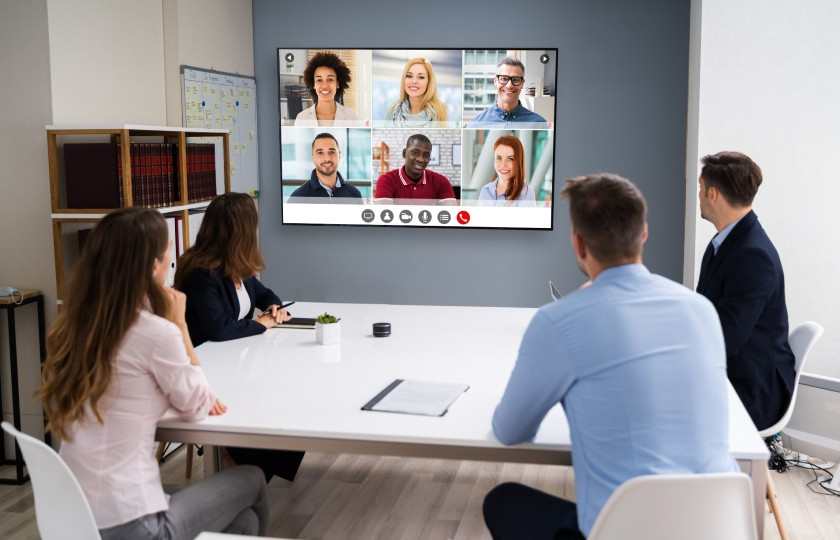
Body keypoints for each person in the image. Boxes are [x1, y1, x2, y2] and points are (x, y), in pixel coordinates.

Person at [484, 173, 737, 539]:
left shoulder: (559, 320)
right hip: (719, 525)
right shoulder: (701, 310)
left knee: (503, 500)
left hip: (626, 531)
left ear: (578, 245)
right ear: (644, 233)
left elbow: (509, 430)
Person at [37, 207, 268, 539]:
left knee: (243, 524)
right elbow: (198, 406)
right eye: (166, 253)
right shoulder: (155, 332)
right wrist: (179, 326)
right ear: (152, 267)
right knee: (253, 479)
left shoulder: (73, 327)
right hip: (134, 525)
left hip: (72, 518)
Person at [175, 192, 305, 483]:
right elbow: (218, 329)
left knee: (291, 400)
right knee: (273, 401)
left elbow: (264, 294)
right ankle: (239, 462)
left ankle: (248, 466)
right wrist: (265, 323)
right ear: (241, 230)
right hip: (209, 370)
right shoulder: (201, 273)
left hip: (236, 363)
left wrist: (274, 306)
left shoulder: (235, 264)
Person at [696, 151, 795, 431]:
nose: (699, 195)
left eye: (700, 189)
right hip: (737, 369)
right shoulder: (723, 242)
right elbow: (706, 314)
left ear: (713, 194)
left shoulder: (752, 255)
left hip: (753, 387)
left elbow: (727, 338)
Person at [374, 134, 457, 205]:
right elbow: (384, 216)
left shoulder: (441, 181)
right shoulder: (387, 180)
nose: (420, 159)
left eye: (426, 155)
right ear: (404, 153)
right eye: (415, 153)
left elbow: (452, 215)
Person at [468, 57, 547, 128]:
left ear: (522, 83)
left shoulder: (539, 124)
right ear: (495, 81)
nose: (509, 85)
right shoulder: (475, 124)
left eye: (515, 79)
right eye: (504, 78)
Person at [288, 133, 363, 203]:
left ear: (339, 156)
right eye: (320, 153)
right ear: (313, 157)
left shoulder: (355, 194)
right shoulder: (297, 197)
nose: (327, 158)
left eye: (332, 152)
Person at [295, 51, 359, 126]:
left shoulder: (351, 116)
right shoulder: (301, 118)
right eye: (319, 80)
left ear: (337, 84)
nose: (325, 85)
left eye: (330, 79)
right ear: (313, 85)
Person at [477, 135, 537, 207]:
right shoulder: (485, 190)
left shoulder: (526, 192)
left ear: (518, 161)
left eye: (510, 159)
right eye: (499, 158)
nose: (503, 165)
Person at [387, 57, 448, 127]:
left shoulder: (441, 111)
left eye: (421, 77)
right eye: (409, 76)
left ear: (429, 82)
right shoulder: (393, 111)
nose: (414, 81)